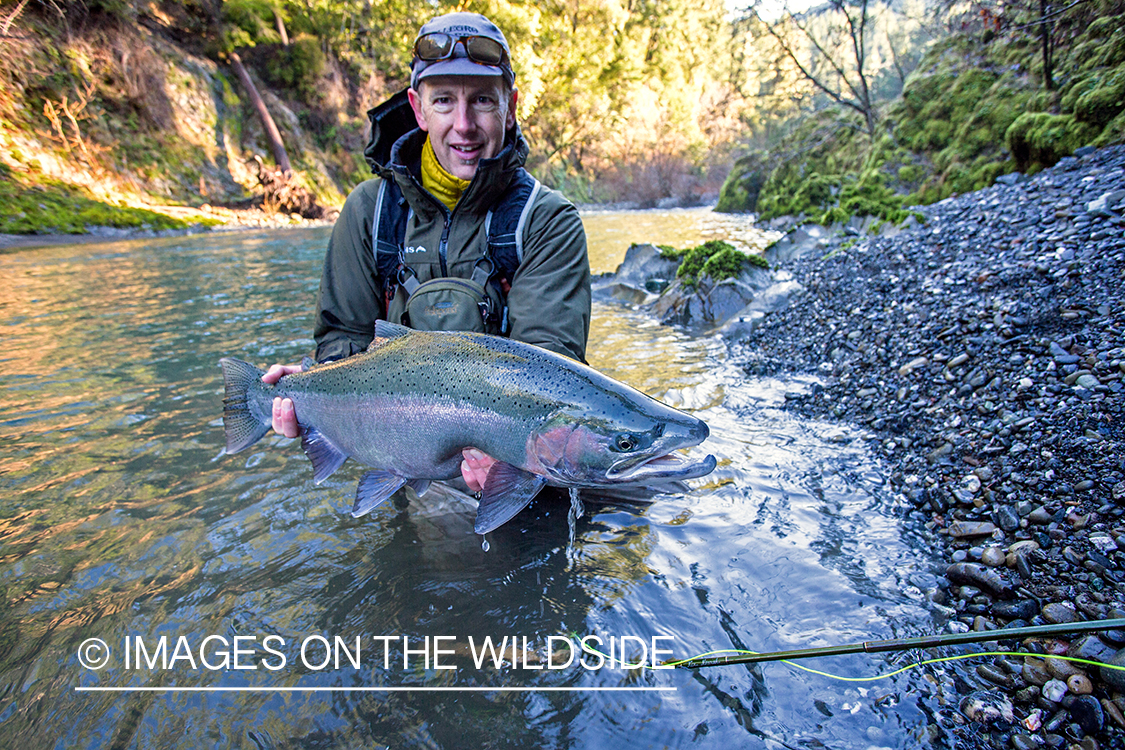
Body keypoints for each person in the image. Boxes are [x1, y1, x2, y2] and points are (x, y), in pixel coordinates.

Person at [262, 11, 592, 494]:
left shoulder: (546, 220)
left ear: (510, 106)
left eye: (482, 100)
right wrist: (318, 386)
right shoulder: (369, 212)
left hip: (508, 458)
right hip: (399, 450)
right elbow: (344, 337)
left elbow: (548, 367)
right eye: (444, 101)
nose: (464, 125)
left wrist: (509, 456)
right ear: (418, 109)